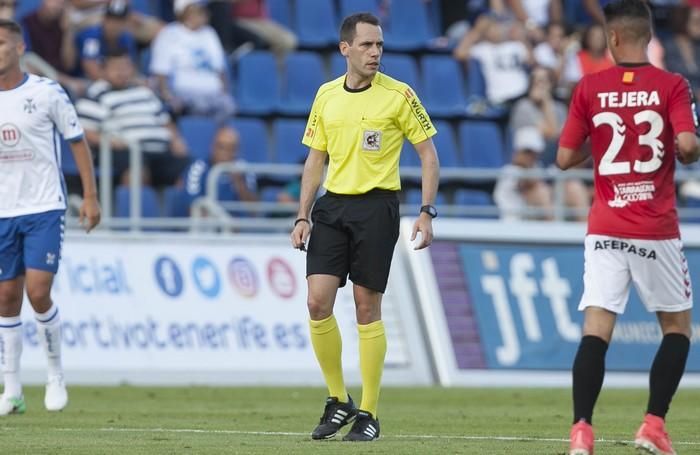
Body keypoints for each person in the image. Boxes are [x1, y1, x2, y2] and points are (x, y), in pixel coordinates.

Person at [556, 1, 699, 454]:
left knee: (596, 328)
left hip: (605, 226)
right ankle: (653, 425)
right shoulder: (672, 84)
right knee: (677, 328)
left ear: (613, 38)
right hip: (655, 228)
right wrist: (683, 149)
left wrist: (600, 146)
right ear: (648, 36)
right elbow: (689, 146)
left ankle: (581, 430)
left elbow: (562, 158)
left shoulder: (590, 87)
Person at [290, 12, 439, 442]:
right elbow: (315, 160)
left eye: (379, 46)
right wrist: (303, 215)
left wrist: (427, 211)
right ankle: (339, 400)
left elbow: (428, 155)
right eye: (367, 45)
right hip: (332, 207)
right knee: (317, 302)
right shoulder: (325, 96)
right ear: (345, 49)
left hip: (377, 206)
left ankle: (370, 412)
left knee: (365, 306)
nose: (375, 52)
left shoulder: (399, 95)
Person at [0, 18, 101, 415]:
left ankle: (55, 374)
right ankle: (11, 387)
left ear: (19, 47)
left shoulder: (46, 93)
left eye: (2, 42)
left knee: (37, 292)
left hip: (44, 206)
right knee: (6, 297)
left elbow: (77, 143)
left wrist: (90, 197)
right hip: (3, 211)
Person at [76, 48, 190, 187]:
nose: (122, 72)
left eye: (126, 67)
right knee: (137, 165)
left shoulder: (145, 93)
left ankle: (179, 207)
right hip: (123, 151)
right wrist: (111, 141)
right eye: (116, 68)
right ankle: (132, 208)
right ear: (104, 70)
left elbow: (165, 121)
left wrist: (176, 140)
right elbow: (85, 131)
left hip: (159, 150)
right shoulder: (95, 94)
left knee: (187, 169)